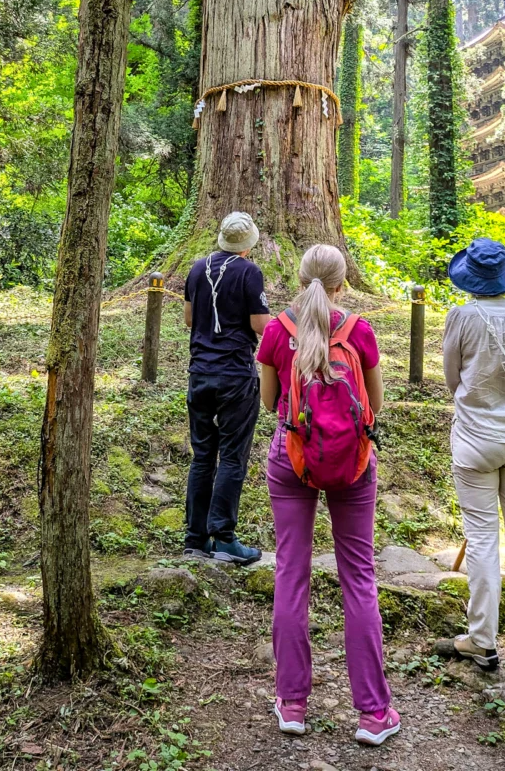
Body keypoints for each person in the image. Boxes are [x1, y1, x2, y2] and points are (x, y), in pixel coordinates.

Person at [256, 244, 400, 748]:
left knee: (290, 571)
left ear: (300, 279)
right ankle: (373, 712)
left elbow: (271, 403)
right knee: (358, 577)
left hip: (290, 458)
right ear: (343, 283)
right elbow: (375, 405)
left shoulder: (277, 330)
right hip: (354, 463)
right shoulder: (359, 330)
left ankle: (292, 702)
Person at [442, 237, 505, 673]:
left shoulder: (462, 317)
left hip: (476, 438)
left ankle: (482, 639)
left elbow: (452, 377)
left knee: (483, 536)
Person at [183, 211, 270, 564]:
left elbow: (189, 319)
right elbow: (260, 324)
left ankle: (195, 538)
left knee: (203, 456)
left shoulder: (195, 268)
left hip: (199, 373)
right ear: (248, 245)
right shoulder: (249, 272)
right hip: (235, 374)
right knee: (233, 455)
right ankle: (225, 537)